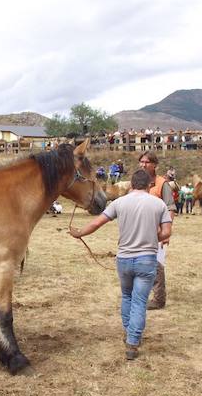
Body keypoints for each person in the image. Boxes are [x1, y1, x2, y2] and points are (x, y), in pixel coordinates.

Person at [68, 170, 172, 360]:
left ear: (131, 184)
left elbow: (97, 223)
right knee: (140, 301)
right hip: (147, 259)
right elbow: (166, 233)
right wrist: (151, 236)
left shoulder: (119, 203)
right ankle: (133, 342)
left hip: (124, 259)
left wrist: (79, 233)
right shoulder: (159, 204)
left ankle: (128, 332)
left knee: (126, 296)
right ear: (149, 185)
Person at [137, 152, 175, 310]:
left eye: (147, 162)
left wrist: (167, 231)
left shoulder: (162, 184)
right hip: (140, 231)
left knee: (157, 265)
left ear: (155, 165)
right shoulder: (137, 182)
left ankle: (159, 299)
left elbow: (171, 208)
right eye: (141, 161)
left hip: (157, 231)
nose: (143, 165)